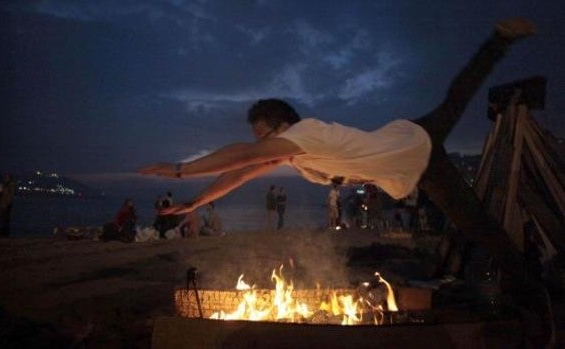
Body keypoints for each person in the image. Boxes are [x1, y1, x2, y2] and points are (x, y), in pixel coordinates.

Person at [138, 19, 536, 280]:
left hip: (420, 144)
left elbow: (243, 155)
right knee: (475, 225)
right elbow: (240, 172)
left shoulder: (308, 133)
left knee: (459, 104)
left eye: (265, 135)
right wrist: (194, 203)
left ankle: (500, 38)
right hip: (409, 167)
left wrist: (179, 170)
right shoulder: (293, 155)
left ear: (283, 125)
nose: (262, 145)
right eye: (261, 139)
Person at [0, 173, 15, 237]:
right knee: (3, 219)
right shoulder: (3, 186)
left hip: (6, 205)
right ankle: (2, 232)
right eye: (5, 177)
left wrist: (8, 203)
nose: (6, 179)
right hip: (2, 205)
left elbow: (10, 196)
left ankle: (4, 232)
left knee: (5, 219)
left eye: (7, 177)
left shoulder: (10, 186)